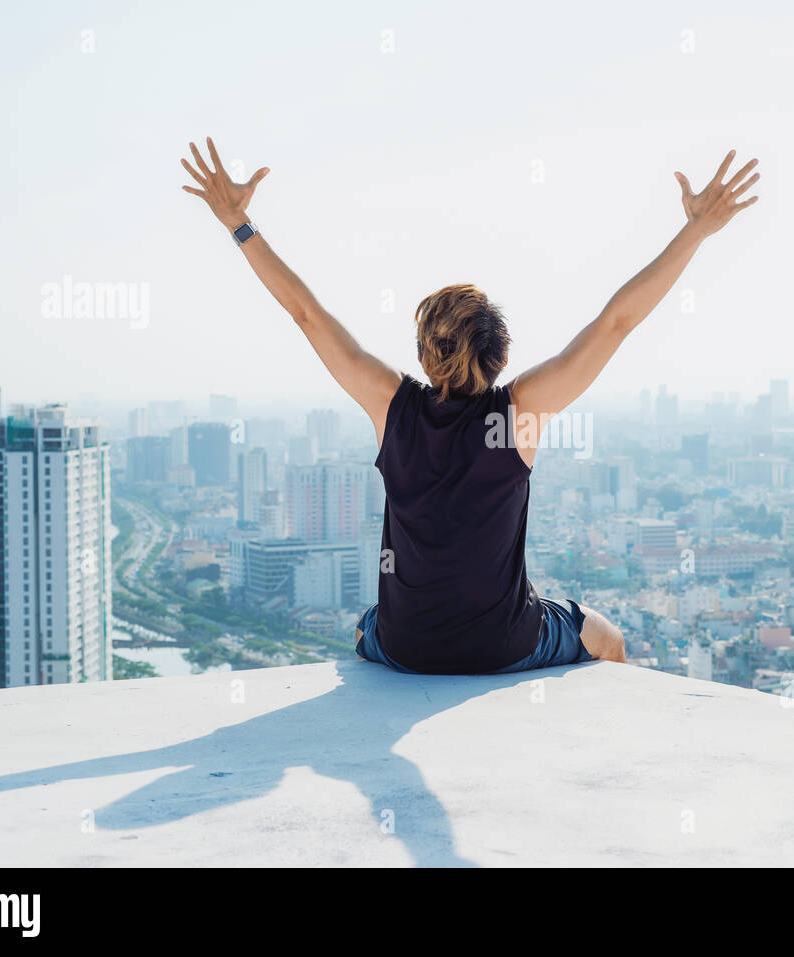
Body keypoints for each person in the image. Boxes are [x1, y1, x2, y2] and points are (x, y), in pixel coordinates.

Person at [181, 138, 759, 675]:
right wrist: (697, 231)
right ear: (501, 354)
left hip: (405, 647)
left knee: (363, 626)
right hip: (501, 647)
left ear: (422, 354)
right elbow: (615, 323)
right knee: (605, 637)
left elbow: (305, 313)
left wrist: (238, 223)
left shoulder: (390, 406)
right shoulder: (520, 415)